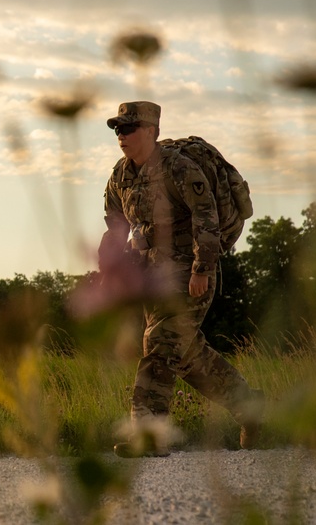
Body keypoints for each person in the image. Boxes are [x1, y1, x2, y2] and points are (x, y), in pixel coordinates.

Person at [98, 101, 263, 457]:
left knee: (159, 343)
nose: (121, 135)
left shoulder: (179, 168)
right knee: (188, 357)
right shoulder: (121, 176)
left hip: (189, 272)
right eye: (117, 129)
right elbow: (115, 226)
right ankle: (254, 412)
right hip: (150, 276)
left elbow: (207, 218)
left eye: (128, 128)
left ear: (151, 131)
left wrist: (202, 269)